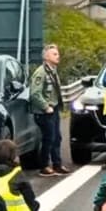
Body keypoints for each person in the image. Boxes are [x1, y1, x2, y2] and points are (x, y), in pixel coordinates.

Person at [29, 43, 71, 177]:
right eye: (54, 54)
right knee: (48, 139)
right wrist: (45, 106)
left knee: (56, 138)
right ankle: (44, 166)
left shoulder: (52, 71)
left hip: (54, 109)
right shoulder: (41, 73)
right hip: (45, 112)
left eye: (57, 54)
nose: (58, 56)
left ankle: (57, 164)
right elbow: (35, 93)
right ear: (46, 57)